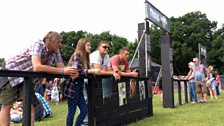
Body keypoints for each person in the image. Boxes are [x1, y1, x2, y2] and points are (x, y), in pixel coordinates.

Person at [0, 31, 78, 126]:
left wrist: (72, 72)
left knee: (30, 107)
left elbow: (61, 67)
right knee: (7, 105)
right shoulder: (38, 44)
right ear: (50, 41)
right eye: (59, 42)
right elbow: (37, 67)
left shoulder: (55, 51)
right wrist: (62, 71)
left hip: (26, 79)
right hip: (11, 71)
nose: (60, 44)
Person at [64, 38, 100, 126]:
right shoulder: (77, 54)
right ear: (82, 45)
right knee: (72, 112)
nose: (90, 47)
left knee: (84, 110)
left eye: (90, 45)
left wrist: (91, 72)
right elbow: (77, 70)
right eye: (88, 45)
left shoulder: (85, 58)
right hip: (72, 87)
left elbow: (84, 71)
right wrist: (91, 71)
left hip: (79, 87)